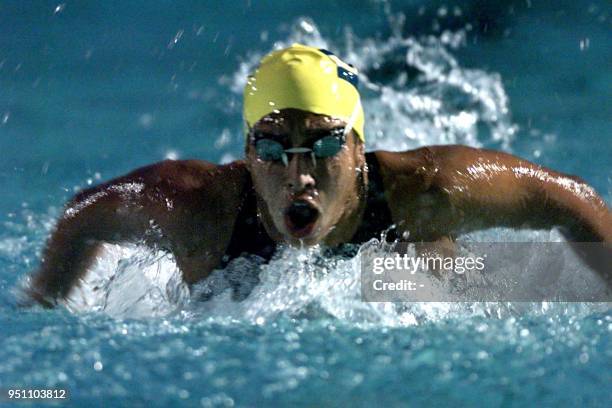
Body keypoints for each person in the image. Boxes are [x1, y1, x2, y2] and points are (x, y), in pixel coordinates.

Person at [27, 44, 612, 307]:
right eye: (274, 148)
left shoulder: (429, 190)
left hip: (417, 282)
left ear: (359, 147)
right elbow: (84, 214)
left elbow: (570, 198)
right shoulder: (198, 209)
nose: (299, 174)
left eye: (325, 144)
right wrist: (43, 307)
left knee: (425, 276)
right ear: (247, 153)